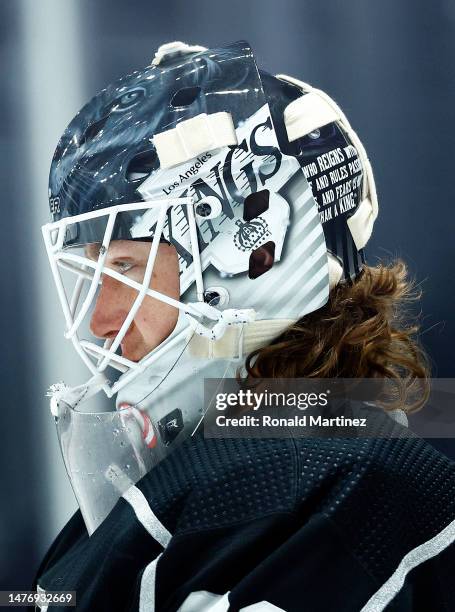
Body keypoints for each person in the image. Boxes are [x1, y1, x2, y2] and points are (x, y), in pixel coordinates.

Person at [32, 41, 455, 611]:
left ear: (256, 259)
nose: (104, 321)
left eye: (127, 269)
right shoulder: (213, 469)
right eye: (95, 276)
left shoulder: (339, 485)